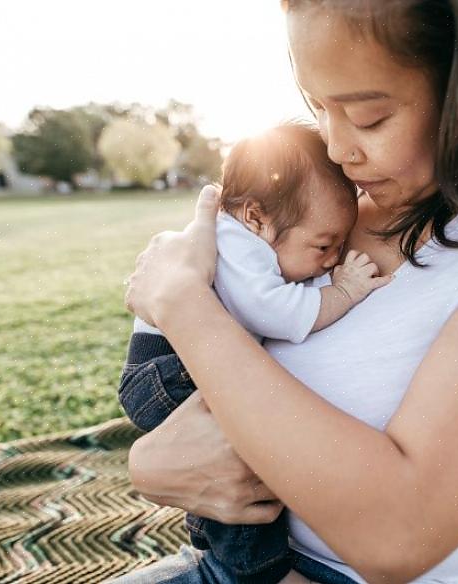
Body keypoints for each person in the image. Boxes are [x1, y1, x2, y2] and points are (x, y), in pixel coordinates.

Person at [115, 1, 458, 582]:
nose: (338, 149)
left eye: (368, 117)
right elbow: (184, 429)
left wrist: (183, 306)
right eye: (317, 106)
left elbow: (397, 534)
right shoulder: (333, 205)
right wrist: (149, 465)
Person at [118, 121, 391, 583]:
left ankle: (217, 542)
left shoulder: (248, 236)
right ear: (255, 218)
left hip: (171, 365)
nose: (330, 259)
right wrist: (342, 291)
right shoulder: (238, 247)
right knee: (249, 442)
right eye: (324, 245)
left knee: (237, 448)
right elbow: (275, 314)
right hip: (165, 373)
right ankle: (253, 569)